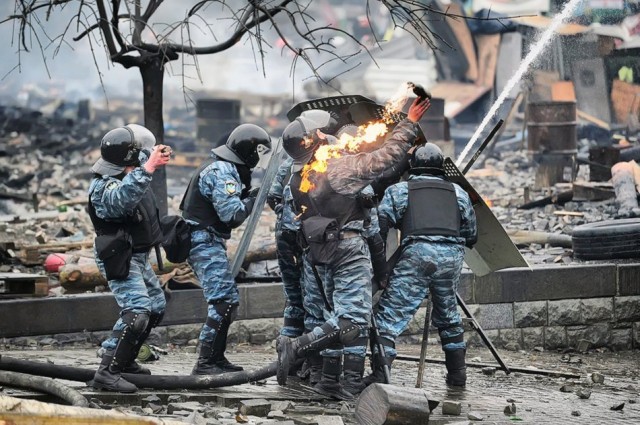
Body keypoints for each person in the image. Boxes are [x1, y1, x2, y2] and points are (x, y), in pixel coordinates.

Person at [275, 97, 431, 398]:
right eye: (323, 131)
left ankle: (331, 384)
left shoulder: (299, 176)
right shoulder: (335, 168)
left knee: (335, 315)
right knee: (353, 318)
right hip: (347, 249)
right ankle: (294, 347)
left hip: (319, 253)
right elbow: (384, 159)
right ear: (317, 138)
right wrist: (408, 123)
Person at [365, 143, 478, 387]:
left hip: (417, 255)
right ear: (441, 166)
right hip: (452, 257)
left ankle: (380, 375)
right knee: (448, 315)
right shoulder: (458, 192)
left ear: (413, 166)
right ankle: (458, 376)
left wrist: (381, 269)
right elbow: (471, 234)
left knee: (387, 317)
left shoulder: (399, 191)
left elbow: (379, 229)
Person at [181, 124, 271, 375]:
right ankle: (205, 362)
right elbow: (232, 214)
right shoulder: (222, 171)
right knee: (222, 302)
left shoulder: (223, 166)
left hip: (207, 240)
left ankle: (216, 359)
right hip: (203, 242)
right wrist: (254, 198)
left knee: (228, 301)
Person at [88, 124, 171, 393]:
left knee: (156, 305)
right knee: (137, 313)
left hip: (136, 255)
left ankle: (126, 360)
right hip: (119, 256)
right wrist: (148, 169)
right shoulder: (104, 186)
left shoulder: (128, 176)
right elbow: (120, 201)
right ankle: (107, 372)